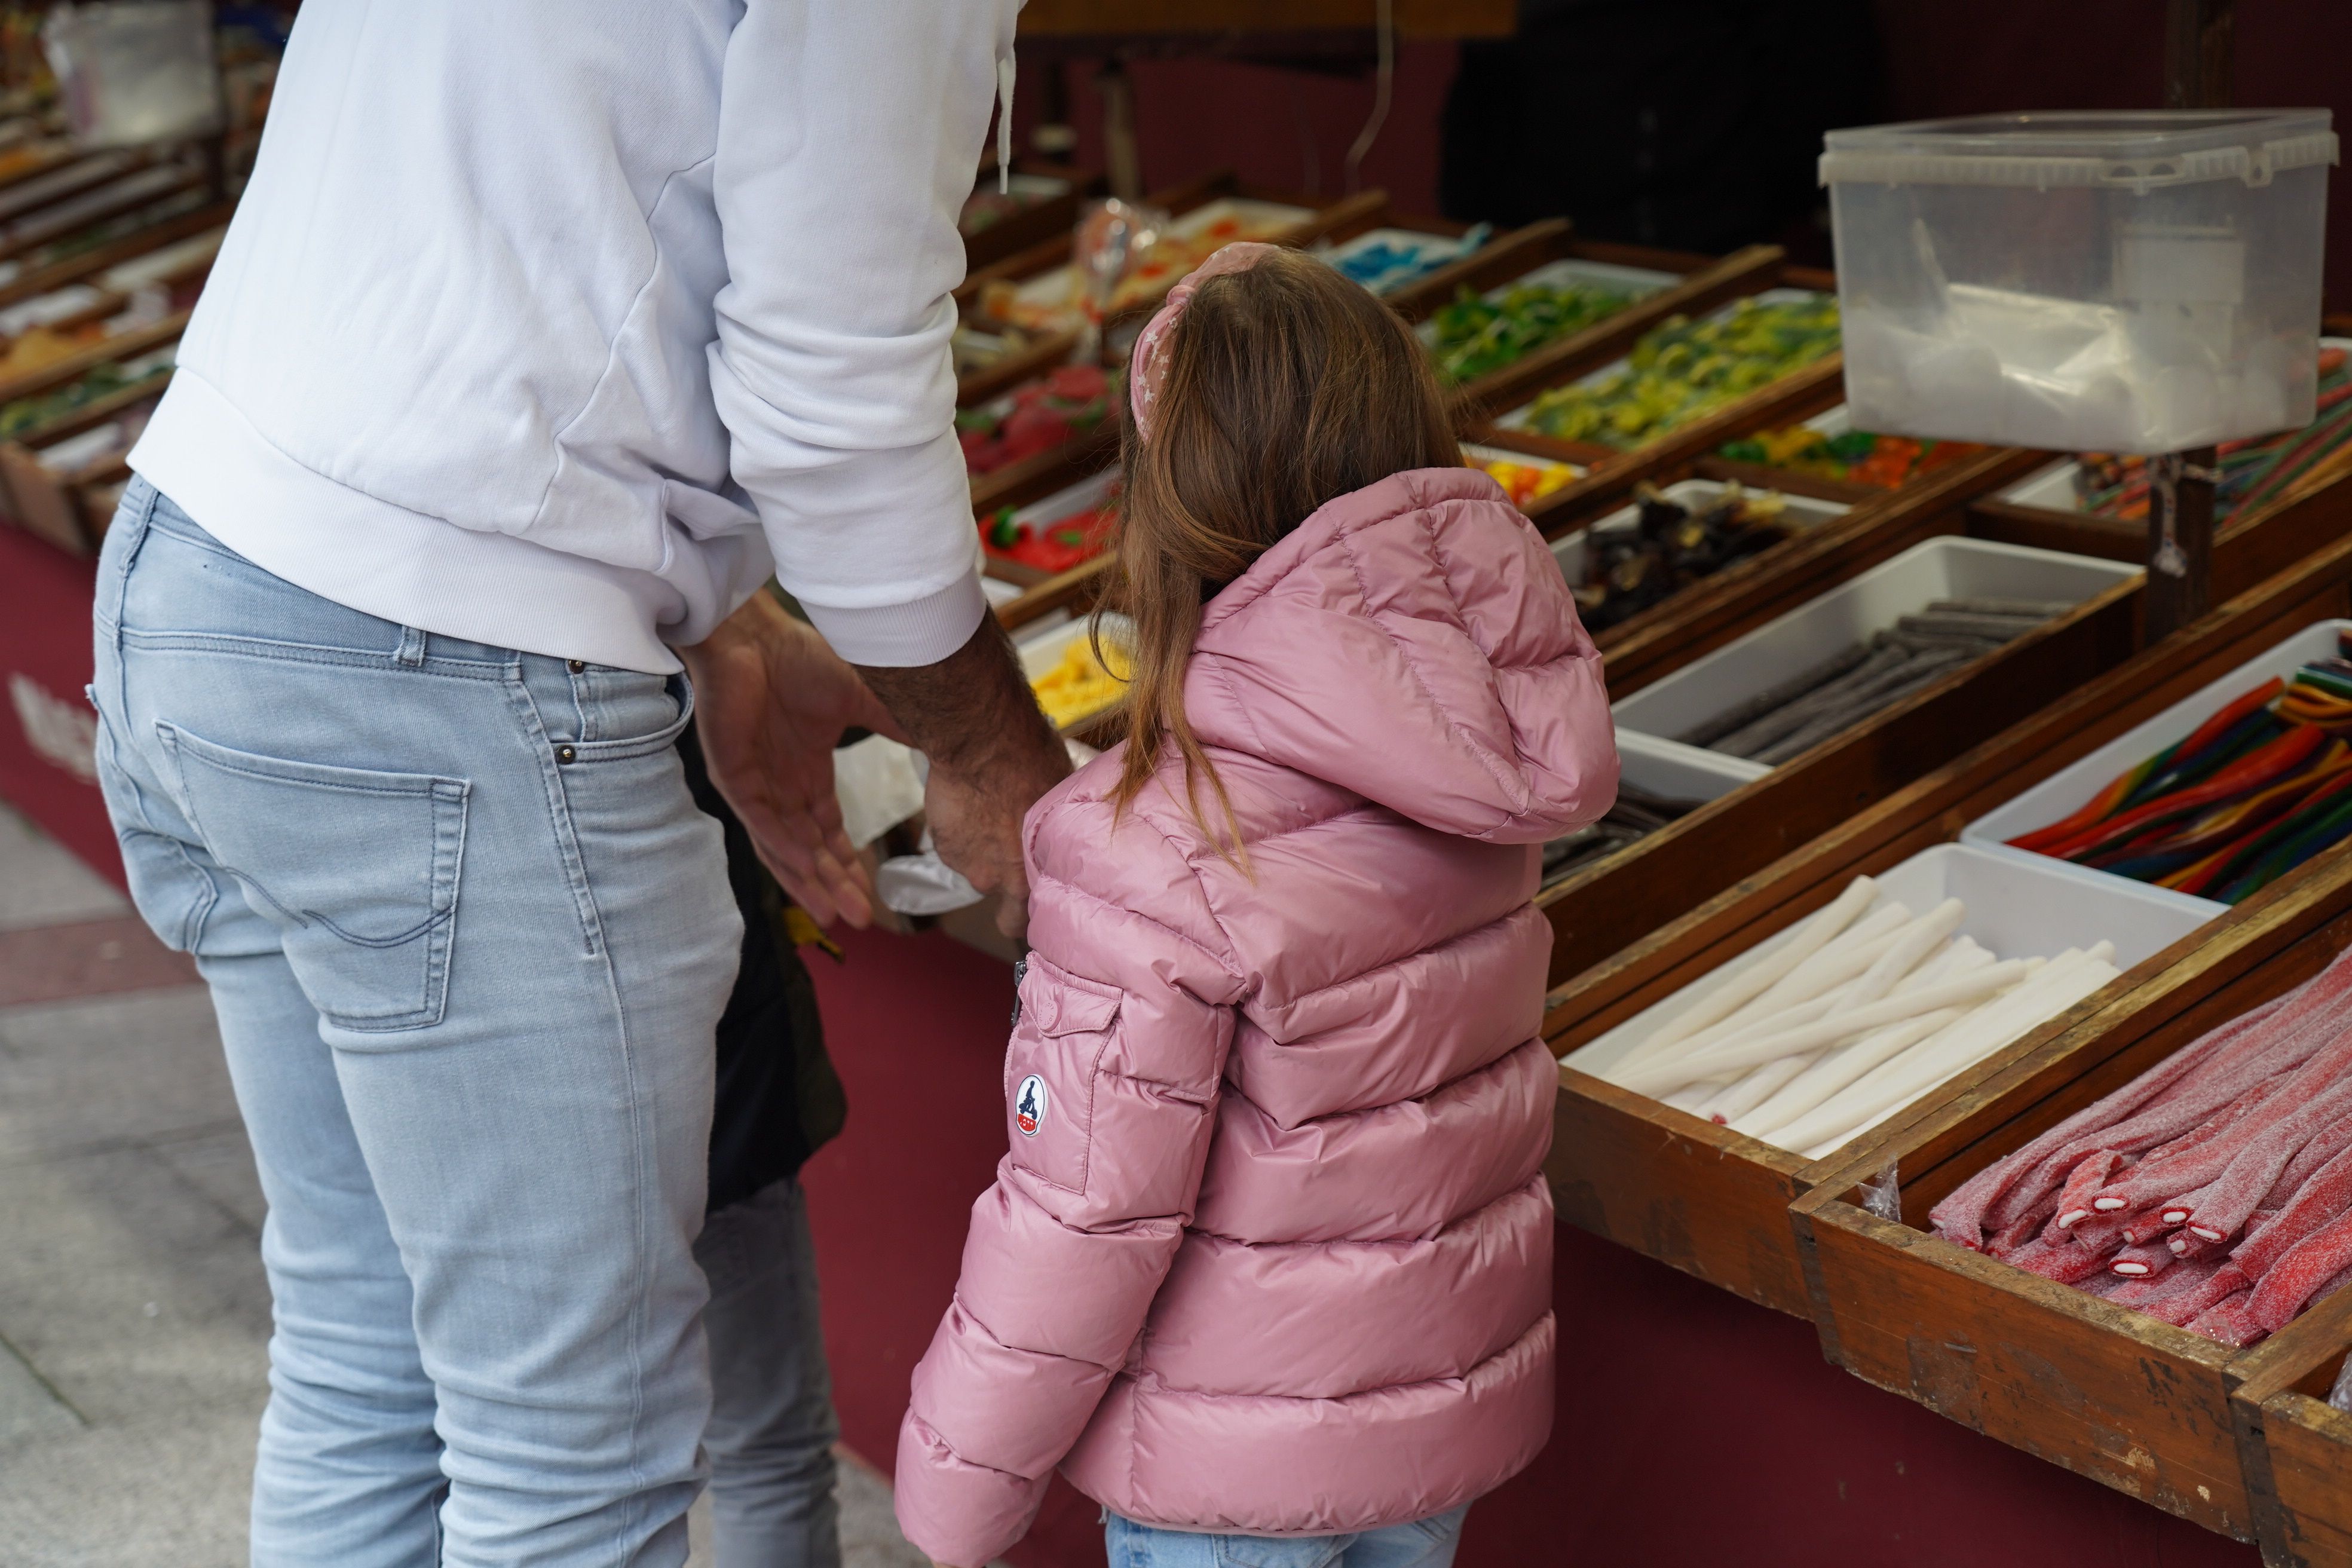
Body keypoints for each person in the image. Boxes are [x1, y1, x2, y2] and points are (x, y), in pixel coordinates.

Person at [83, 4, 1069, 1564]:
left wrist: (720, 618)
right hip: (434, 668)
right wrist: (993, 756)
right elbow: (835, 413)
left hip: (204, 569)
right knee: (574, 1455)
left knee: (370, 1365)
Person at [892, 245, 1619, 1568]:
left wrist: (956, 1491)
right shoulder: (1477, 763)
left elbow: (1083, 1217)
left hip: (1228, 1479)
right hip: (1426, 1430)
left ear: (1168, 508)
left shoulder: (1149, 845)